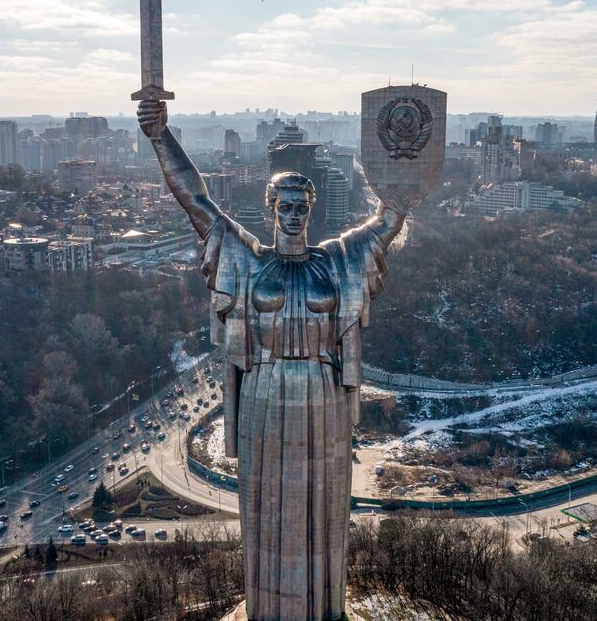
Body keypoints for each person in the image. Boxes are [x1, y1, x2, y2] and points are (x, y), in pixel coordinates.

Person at [137, 99, 405, 620]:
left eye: (301, 206)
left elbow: (389, 220)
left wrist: (398, 162)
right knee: (267, 508)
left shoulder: (338, 261)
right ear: (269, 208)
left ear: (312, 208)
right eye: (283, 206)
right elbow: (197, 202)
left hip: (322, 393)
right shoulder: (248, 262)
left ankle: (322, 612)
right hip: (264, 389)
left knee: (324, 504)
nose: (292, 214)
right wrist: (160, 137)